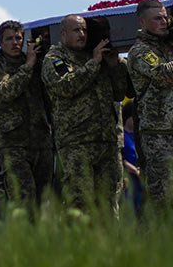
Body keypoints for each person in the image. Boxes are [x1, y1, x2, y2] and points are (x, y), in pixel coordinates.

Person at [41, 13, 130, 214]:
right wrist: (94, 63)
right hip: (77, 142)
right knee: (80, 201)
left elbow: (119, 93)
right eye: (76, 30)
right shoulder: (55, 59)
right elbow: (67, 86)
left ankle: (108, 244)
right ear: (63, 34)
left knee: (109, 201)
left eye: (84, 30)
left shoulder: (96, 54)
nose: (82, 34)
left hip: (107, 140)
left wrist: (114, 65)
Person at [126, 0, 173, 215]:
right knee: (162, 202)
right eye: (157, 18)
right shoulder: (139, 51)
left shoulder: (172, 48)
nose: (164, 21)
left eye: (165, 17)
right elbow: (166, 74)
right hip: (157, 136)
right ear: (142, 22)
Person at [0, 20, 53, 207]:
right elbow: (6, 91)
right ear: (0, 43)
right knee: (23, 199)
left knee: (43, 200)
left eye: (18, 38)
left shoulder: (33, 62)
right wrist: (29, 65)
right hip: (12, 143)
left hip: (40, 139)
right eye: (9, 39)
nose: (15, 43)